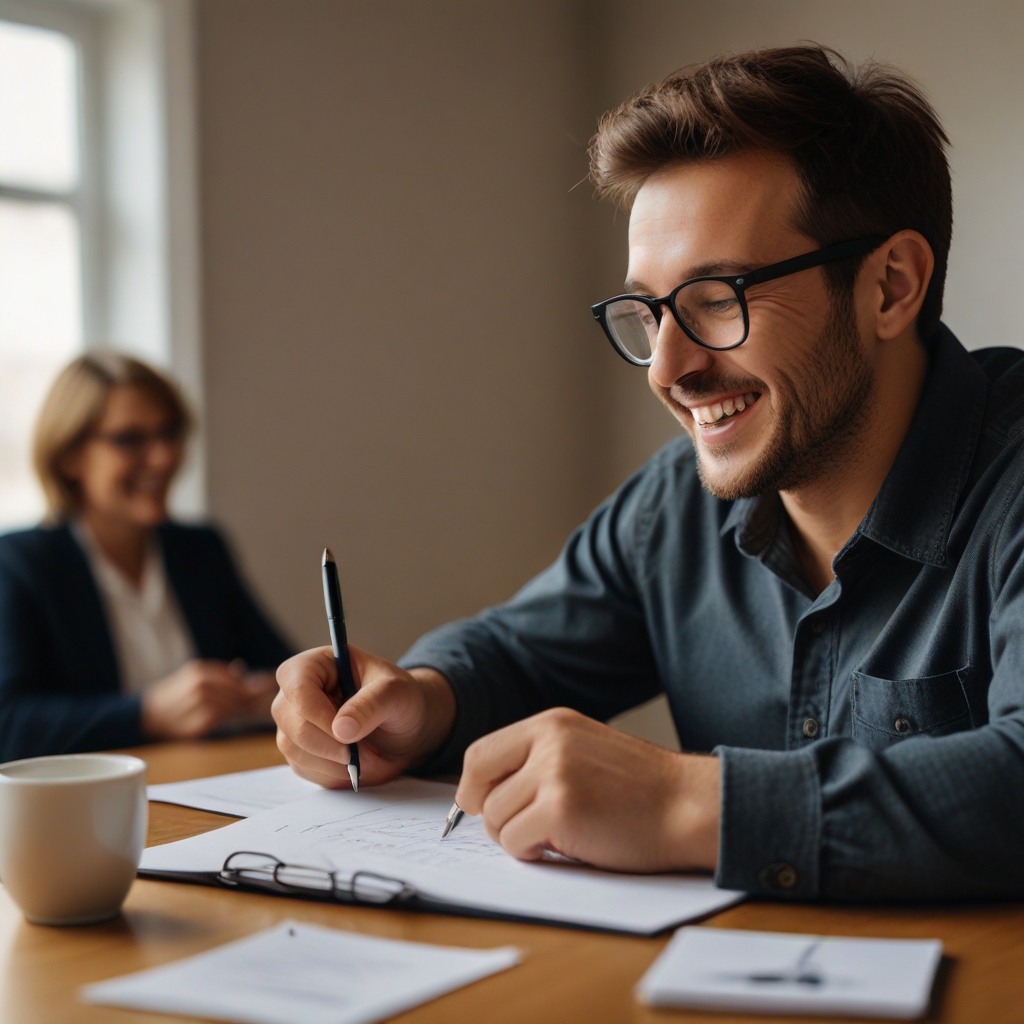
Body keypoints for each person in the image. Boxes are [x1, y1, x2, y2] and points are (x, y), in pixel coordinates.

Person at [272, 45, 1024, 901]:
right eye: (649, 310)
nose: (668, 368)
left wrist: (680, 803)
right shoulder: (675, 507)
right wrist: (417, 703)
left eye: (718, 298)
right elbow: (516, 652)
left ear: (891, 285)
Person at [0, 352, 292, 760]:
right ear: (69, 456)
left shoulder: (199, 549)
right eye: (130, 439)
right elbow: (10, 723)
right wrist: (145, 713)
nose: (163, 457)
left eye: (170, 433)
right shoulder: (21, 562)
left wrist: (274, 691)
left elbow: (282, 665)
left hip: (210, 779)